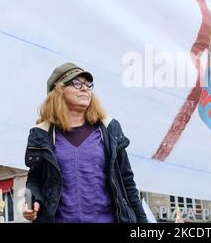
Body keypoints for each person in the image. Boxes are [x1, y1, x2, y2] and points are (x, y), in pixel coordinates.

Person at [23, 62, 147, 223]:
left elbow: (127, 183)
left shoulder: (110, 130)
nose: (85, 89)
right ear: (58, 91)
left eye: (88, 85)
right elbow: (34, 181)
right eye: (77, 83)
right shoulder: (41, 134)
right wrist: (32, 202)